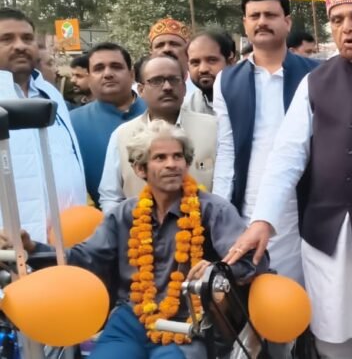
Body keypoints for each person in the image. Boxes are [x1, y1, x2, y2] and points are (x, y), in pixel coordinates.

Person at [224, 0, 352, 358]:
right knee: (332, 339)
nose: (346, 28)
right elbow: (286, 156)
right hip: (327, 235)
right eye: (337, 20)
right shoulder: (316, 81)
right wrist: (263, 220)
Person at [7, 120, 264, 359]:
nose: (172, 164)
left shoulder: (213, 210)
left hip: (189, 324)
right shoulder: (124, 214)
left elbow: (252, 260)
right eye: (160, 158)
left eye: (178, 156)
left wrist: (217, 271)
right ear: (140, 169)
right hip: (133, 318)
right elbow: (83, 259)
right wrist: (31, 248)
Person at [213, 0, 318, 293]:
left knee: (302, 294)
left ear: (287, 22)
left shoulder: (317, 74)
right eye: (254, 15)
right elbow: (226, 149)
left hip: (303, 205)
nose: (262, 22)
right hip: (248, 202)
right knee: (254, 292)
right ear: (245, 24)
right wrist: (221, 210)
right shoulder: (227, 80)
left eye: (270, 15)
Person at [0, 7, 86, 242]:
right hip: (10, 246)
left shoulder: (50, 93)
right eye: (6, 39)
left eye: (27, 38)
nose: (20, 46)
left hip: (66, 240)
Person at [98, 54, 216, 211]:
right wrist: (122, 224)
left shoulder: (213, 128)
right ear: (141, 90)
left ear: (184, 87)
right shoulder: (122, 135)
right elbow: (111, 197)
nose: (167, 87)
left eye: (173, 80)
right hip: (139, 225)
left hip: (204, 224)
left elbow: (226, 188)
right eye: (156, 81)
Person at [71, 42, 147, 205]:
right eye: (99, 68)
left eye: (116, 67)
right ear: (89, 78)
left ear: (132, 74)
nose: (107, 74)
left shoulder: (157, 112)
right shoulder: (72, 123)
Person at [186, 30, 236, 115]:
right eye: (195, 62)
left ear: (230, 62)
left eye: (212, 60)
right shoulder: (189, 106)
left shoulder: (249, 100)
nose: (203, 69)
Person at [149, 18, 198, 100]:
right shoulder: (137, 94)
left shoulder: (200, 88)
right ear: (151, 52)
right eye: (160, 45)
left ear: (187, 50)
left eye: (174, 44)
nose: (166, 49)